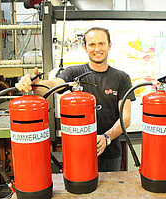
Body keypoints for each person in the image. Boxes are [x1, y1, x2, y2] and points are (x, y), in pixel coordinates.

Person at [15, 27, 136, 172]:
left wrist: (106, 138)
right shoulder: (74, 72)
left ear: (109, 45)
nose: (97, 49)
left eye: (101, 44)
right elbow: (54, 85)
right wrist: (33, 85)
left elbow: (126, 118)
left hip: (110, 154)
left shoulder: (121, 78)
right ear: (85, 48)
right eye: (92, 45)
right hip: (78, 153)